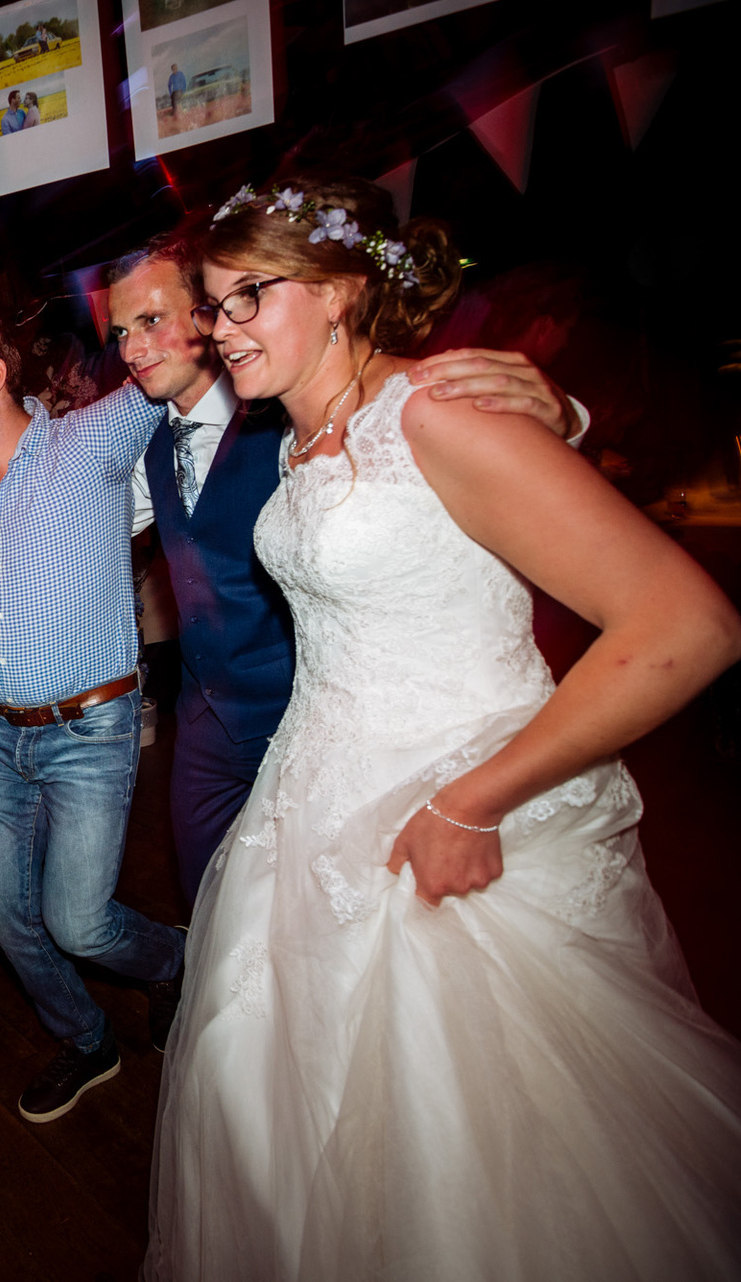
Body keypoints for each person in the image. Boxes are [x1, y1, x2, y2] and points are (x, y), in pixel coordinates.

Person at [147, 175, 741, 1279]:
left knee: (482, 1160)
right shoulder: (295, 435)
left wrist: (475, 798)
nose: (219, 328)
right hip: (310, 813)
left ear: (341, 292)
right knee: (297, 1128)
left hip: (452, 815)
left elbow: (690, 624)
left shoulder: (434, 410)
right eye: (212, 305)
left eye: (248, 298)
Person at [104, 231, 589, 904]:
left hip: (307, 712)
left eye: (151, 321)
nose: (130, 349)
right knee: (210, 902)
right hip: (207, 724)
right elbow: (86, 528)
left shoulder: (292, 404)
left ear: (204, 314)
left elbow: (412, 455)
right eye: (120, 331)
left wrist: (562, 421)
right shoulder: (149, 447)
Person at [0, 313, 183, 1124]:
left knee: (80, 921)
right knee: (3, 913)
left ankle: (175, 958)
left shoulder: (90, 438)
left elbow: (189, 379)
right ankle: (88, 1036)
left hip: (91, 731)